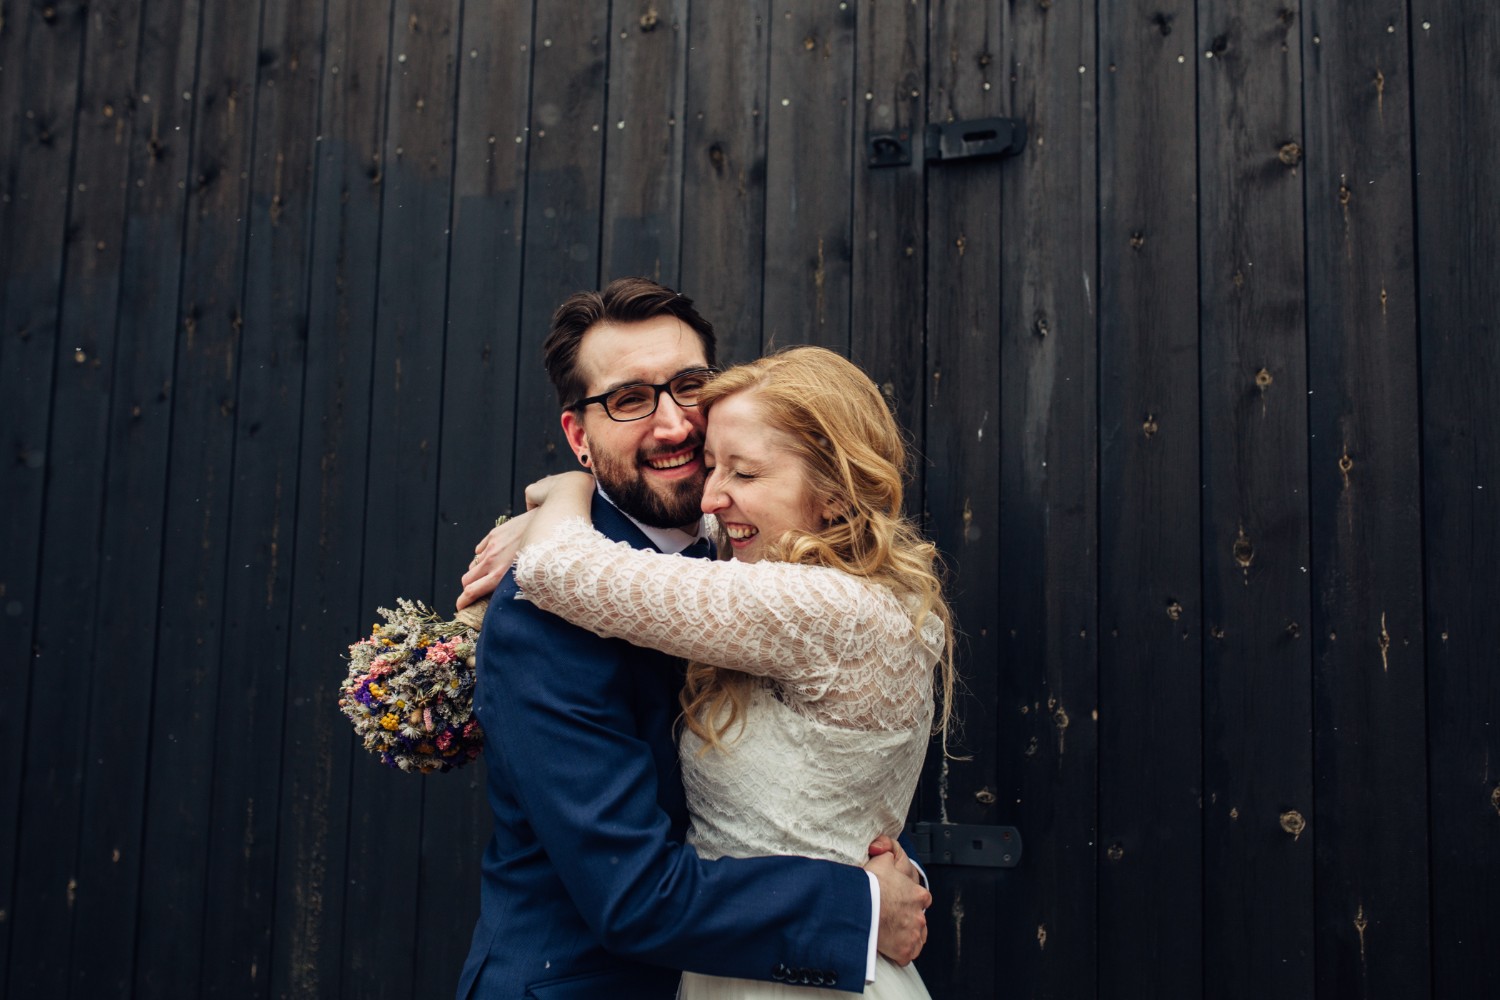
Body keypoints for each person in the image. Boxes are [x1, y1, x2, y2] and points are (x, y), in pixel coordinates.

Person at [454, 279, 931, 999]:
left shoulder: (752, 551)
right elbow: (631, 895)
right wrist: (858, 909)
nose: (674, 425)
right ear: (579, 437)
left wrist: (885, 879)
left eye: (688, 386)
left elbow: (800, 782)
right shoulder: (540, 610)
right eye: (630, 400)